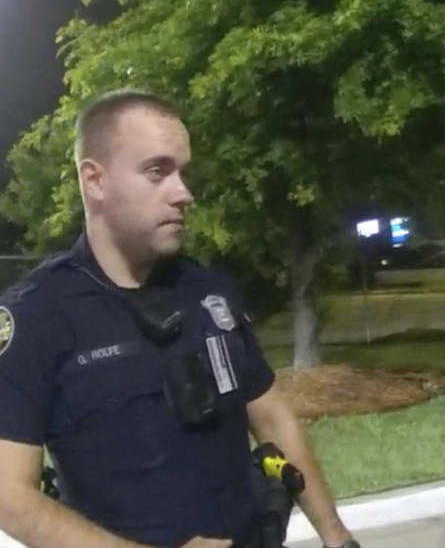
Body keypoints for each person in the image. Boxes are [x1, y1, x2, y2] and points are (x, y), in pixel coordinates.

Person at [0, 91, 360, 548]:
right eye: (157, 171)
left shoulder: (209, 291)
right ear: (94, 180)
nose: (184, 194)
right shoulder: (36, 314)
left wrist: (337, 536)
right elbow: (9, 496)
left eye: (183, 173)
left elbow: (272, 418)